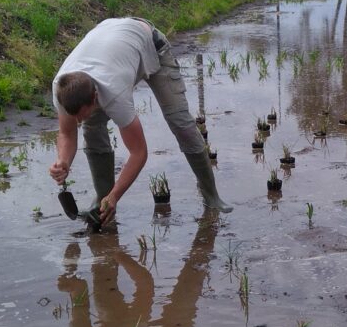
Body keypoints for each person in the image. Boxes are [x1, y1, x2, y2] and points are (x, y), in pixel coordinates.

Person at [49, 17, 232, 228]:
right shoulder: (62, 88)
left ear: (95, 97)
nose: (78, 122)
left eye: (82, 114)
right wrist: (63, 162)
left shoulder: (114, 92)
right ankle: (102, 201)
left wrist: (116, 194)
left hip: (152, 47)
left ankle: (212, 196)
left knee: (180, 123)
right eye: (76, 117)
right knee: (92, 128)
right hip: (113, 43)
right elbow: (66, 133)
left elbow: (139, 153)